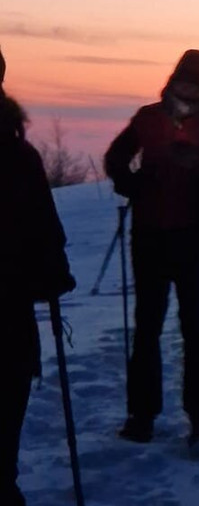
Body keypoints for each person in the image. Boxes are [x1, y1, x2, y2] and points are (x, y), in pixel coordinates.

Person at [105, 49, 199, 444]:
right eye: (183, 80)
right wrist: (131, 184)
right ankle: (141, 415)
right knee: (147, 325)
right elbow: (116, 157)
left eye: (195, 83)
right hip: (148, 235)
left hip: (193, 238)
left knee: (194, 325)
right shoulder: (148, 118)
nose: (187, 88)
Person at [0, 48, 76, 506]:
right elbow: (45, 233)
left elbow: (45, 233)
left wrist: (51, 270)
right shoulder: (16, 152)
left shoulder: (17, 153)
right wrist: (50, 272)